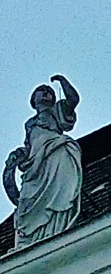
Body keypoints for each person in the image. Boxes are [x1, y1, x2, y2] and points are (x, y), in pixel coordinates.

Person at [3, 76, 81, 249]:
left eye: (49, 91)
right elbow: (29, 146)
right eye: (41, 91)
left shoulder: (58, 111)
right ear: (34, 99)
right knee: (26, 201)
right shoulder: (29, 124)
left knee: (59, 194)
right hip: (35, 165)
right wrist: (17, 157)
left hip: (57, 154)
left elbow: (73, 99)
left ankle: (57, 228)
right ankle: (30, 241)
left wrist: (62, 81)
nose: (46, 92)